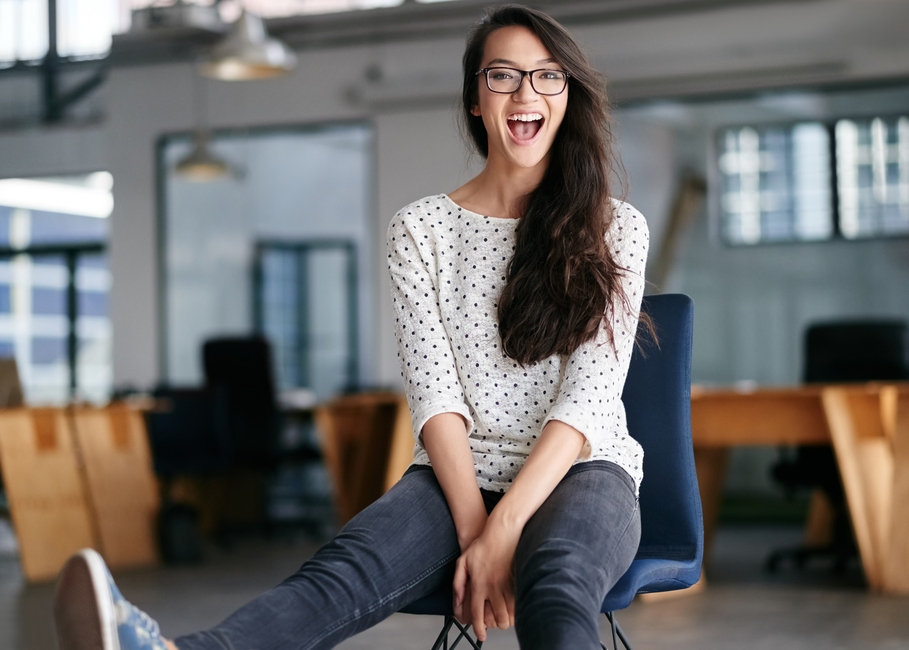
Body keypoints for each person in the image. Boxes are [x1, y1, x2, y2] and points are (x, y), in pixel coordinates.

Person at [53, 5, 650, 650]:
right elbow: (436, 397)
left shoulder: (615, 226)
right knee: (339, 575)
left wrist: (505, 529)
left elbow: (586, 399)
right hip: (456, 476)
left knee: (558, 584)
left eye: (547, 76)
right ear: (476, 100)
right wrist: (477, 526)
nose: (525, 93)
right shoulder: (420, 229)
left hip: (583, 471)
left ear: (567, 96)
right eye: (502, 75)